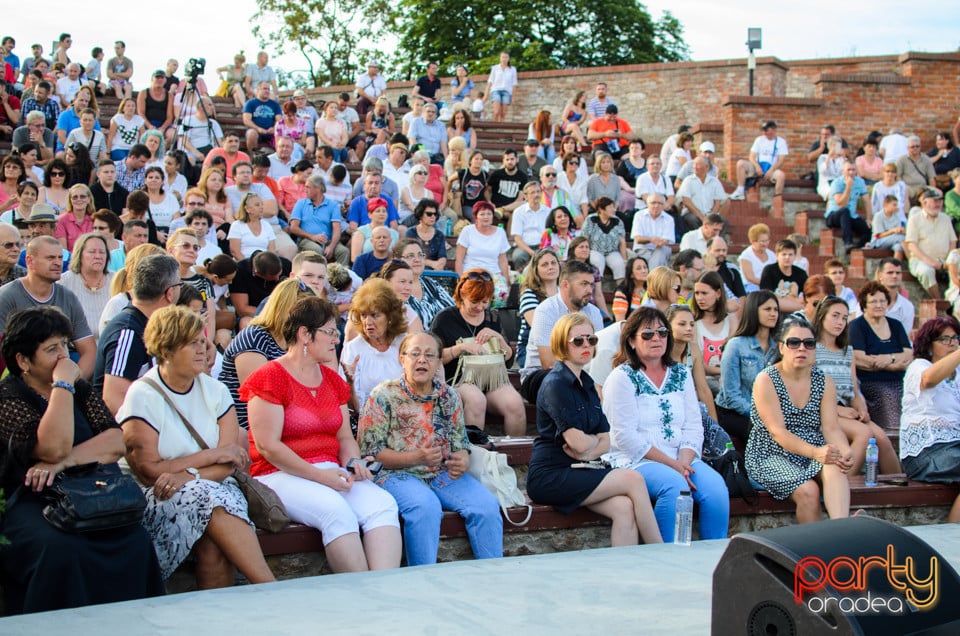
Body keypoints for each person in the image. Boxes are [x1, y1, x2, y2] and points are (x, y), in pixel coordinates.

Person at [0, 306, 164, 614]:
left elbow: (115, 442)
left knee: (134, 538)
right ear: (23, 360)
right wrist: (61, 385)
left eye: (64, 345)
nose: (64, 356)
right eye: (51, 349)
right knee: (63, 550)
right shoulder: (9, 398)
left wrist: (63, 464)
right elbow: (52, 447)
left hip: (92, 490)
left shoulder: (81, 388)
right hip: (35, 500)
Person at [118, 305, 276, 588]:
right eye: (192, 343)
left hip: (214, 485)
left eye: (203, 341)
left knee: (211, 530)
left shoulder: (215, 390)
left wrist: (189, 476)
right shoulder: (142, 394)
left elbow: (230, 464)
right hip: (158, 493)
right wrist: (209, 456)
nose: (203, 349)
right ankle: (268, 585)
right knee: (207, 501)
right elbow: (147, 471)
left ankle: (220, 617)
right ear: (166, 349)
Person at [242, 296, 402, 572]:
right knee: (335, 511)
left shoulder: (332, 381)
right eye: (329, 332)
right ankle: (363, 595)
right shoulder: (269, 377)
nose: (336, 340)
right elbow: (268, 447)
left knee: (382, 504)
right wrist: (321, 476)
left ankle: (384, 590)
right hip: (279, 473)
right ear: (305, 334)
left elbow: (344, 439)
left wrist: (353, 463)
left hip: (329, 468)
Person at [359, 331, 502, 565]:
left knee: (486, 506)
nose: (422, 360)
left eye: (429, 355)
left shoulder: (450, 396)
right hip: (396, 474)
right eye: (414, 354)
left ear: (438, 362)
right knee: (426, 508)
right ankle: (423, 580)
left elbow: (461, 444)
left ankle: (492, 575)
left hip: (441, 473)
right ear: (402, 358)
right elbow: (370, 453)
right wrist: (416, 457)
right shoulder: (383, 395)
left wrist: (462, 459)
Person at [526, 313, 663, 546]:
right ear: (562, 343)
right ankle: (661, 550)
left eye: (592, 339)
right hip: (551, 474)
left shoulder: (588, 383)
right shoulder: (555, 383)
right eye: (578, 341)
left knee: (624, 507)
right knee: (633, 479)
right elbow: (579, 443)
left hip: (581, 467)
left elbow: (604, 440)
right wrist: (589, 446)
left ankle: (628, 573)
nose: (586, 345)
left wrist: (587, 451)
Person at [603, 307, 729, 541]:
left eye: (662, 332)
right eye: (647, 334)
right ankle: (670, 557)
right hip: (638, 459)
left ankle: (715, 558)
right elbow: (625, 437)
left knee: (716, 489)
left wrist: (683, 460)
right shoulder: (621, 378)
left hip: (682, 457)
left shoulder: (680, 373)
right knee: (675, 487)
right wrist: (673, 465)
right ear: (631, 340)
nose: (657, 338)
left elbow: (693, 424)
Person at [747, 317, 852, 524]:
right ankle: (813, 552)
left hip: (811, 451)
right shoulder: (766, 379)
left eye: (808, 343)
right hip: (769, 453)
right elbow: (778, 432)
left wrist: (843, 450)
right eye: (794, 343)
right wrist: (816, 452)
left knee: (834, 464)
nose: (801, 348)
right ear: (782, 347)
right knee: (809, 491)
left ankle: (842, 528)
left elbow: (831, 427)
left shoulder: (824, 381)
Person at [431, 269, 526, 436]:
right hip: (458, 379)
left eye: (485, 302)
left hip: (490, 378)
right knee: (476, 400)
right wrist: (459, 348)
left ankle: (517, 456)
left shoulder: (492, 318)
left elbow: (508, 360)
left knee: (515, 404)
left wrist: (498, 337)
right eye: (475, 301)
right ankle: (476, 453)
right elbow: (434, 357)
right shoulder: (445, 318)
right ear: (462, 294)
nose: (480, 307)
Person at [813, 296, 900, 475]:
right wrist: (837, 410)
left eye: (844, 318)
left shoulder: (847, 352)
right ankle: (844, 485)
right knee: (864, 434)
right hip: (821, 412)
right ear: (822, 317)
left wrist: (861, 408)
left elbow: (854, 389)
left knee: (882, 437)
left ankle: (898, 486)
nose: (840, 322)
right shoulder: (810, 349)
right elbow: (807, 391)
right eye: (835, 316)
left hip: (847, 411)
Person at [219, 278, 311, 429]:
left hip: (281, 420)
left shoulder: (293, 340)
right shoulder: (254, 336)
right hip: (246, 426)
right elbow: (257, 394)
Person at [900, 316, 960, 522]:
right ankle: (950, 539)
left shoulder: (958, 373)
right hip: (925, 452)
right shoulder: (918, 366)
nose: (952, 343)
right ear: (929, 344)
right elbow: (929, 379)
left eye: (955, 338)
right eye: (945, 339)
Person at [521, 260, 604, 402]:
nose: (590, 290)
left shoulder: (594, 312)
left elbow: (598, 352)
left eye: (591, 284)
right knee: (564, 383)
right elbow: (548, 363)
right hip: (540, 376)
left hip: (581, 372)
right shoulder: (546, 310)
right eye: (584, 284)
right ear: (565, 285)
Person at [716, 291, 781, 442]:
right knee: (768, 436)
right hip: (734, 412)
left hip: (768, 412)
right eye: (767, 309)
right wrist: (763, 416)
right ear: (753, 310)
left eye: (775, 309)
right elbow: (731, 396)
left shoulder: (779, 346)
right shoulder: (736, 345)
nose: (773, 314)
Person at [850, 281, 913, 431]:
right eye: (873, 302)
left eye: (882, 301)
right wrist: (895, 364)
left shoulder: (896, 325)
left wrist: (888, 359)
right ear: (864, 305)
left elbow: (908, 354)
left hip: (900, 380)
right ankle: (893, 437)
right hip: (871, 382)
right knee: (889, 395)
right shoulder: (857, 326)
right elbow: (859, 358)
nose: (879, 305)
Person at [341, 278, 408, 410]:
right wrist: (350, 384)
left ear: (390, 317)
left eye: (375, 315)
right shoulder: (353, 348)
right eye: (363, 315)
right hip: (367, 420)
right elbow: (353, 408)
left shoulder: (405, 343)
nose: (368, 322)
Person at [58, 232, 112, 340]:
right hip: (75, 347)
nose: (98, 256)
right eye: (92, 252)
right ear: (79, 255)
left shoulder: (116, 280)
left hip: (110, 344)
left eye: (102, 252)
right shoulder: (64, 282)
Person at [905, 187, 956, 300]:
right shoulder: (915, 219)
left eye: (940, 200)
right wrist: (932, 262)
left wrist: (949, 260)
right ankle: (939, 302)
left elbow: (953, 241)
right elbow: (912, 245)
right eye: (935, 201)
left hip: (944, 260)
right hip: (921, 260)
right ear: (924, 202)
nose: (938, 204)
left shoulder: (946, 218)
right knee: (926, 271)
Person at [692, 271, 737, 394]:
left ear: (718, 293)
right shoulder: (693, 324)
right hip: (704, 382)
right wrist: (723, 371)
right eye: (697, 293)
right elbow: (698, 365)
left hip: (729, 379)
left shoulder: (731, 321)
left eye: (704, 293)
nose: (699, 298)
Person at [731, 121, 788, 200]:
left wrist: (771, 170)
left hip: (771, 168)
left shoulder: (781, 142)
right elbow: (752, 156)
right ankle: (740, 191)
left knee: (781, 175)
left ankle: (777, 200)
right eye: (764, 130)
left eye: (766, 130)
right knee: (741, 163)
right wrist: (757, 166)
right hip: (758, 167)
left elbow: (781, 160)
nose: (764, 132)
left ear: (773, 130)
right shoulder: (759, 140)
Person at [405, 199, 446, 270]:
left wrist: (440, 264)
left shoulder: (439, 235)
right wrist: (432, 263)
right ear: (421, 215)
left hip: (435, 271)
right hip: (414, 270)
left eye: (435, 214)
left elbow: (442, 256)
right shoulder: (411, 232)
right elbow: (409, 256)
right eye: (429, 214)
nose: (433, 216)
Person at [738, 223, 776, 293]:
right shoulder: (746, 255)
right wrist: (768, 284)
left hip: (769, 286)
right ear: (752, 241)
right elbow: (750, 278)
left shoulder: (772, 255)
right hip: (751, 286)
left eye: (767, 240)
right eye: (762, 241)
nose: (765, 244)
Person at [612, 256, 648, 322]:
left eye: (645, 267)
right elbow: (620, 322)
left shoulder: (651, 290)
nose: (644, 271)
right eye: (639, 268)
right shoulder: (622, 292)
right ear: (631, 274)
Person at [486, 52, 517, 123]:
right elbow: (490, 81)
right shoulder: (495, 68)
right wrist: (486, 94)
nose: (504, 59)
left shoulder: (512, 69)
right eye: (502, 57)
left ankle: (501, 127)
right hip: (496, 90)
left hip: (507, 91)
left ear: (508, 59)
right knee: (496, 111)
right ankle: (493, 126)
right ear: (500, 58)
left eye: (506, 57)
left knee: (503, 113)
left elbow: (514, 84)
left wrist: (513, 97)